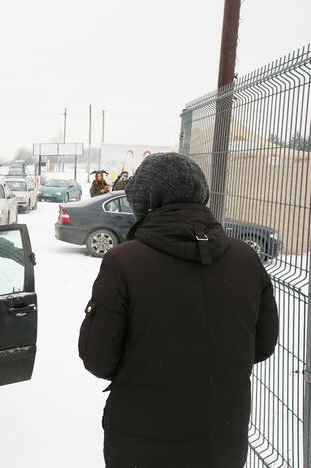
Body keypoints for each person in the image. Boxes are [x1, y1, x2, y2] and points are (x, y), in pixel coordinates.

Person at [78, 153, 279, 468]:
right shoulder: (245, 259)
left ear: (144, 202)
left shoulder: (124, 262)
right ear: (201, 194)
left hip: (142, 441)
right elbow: (263, 345)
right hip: (223, 439)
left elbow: (98, 358)